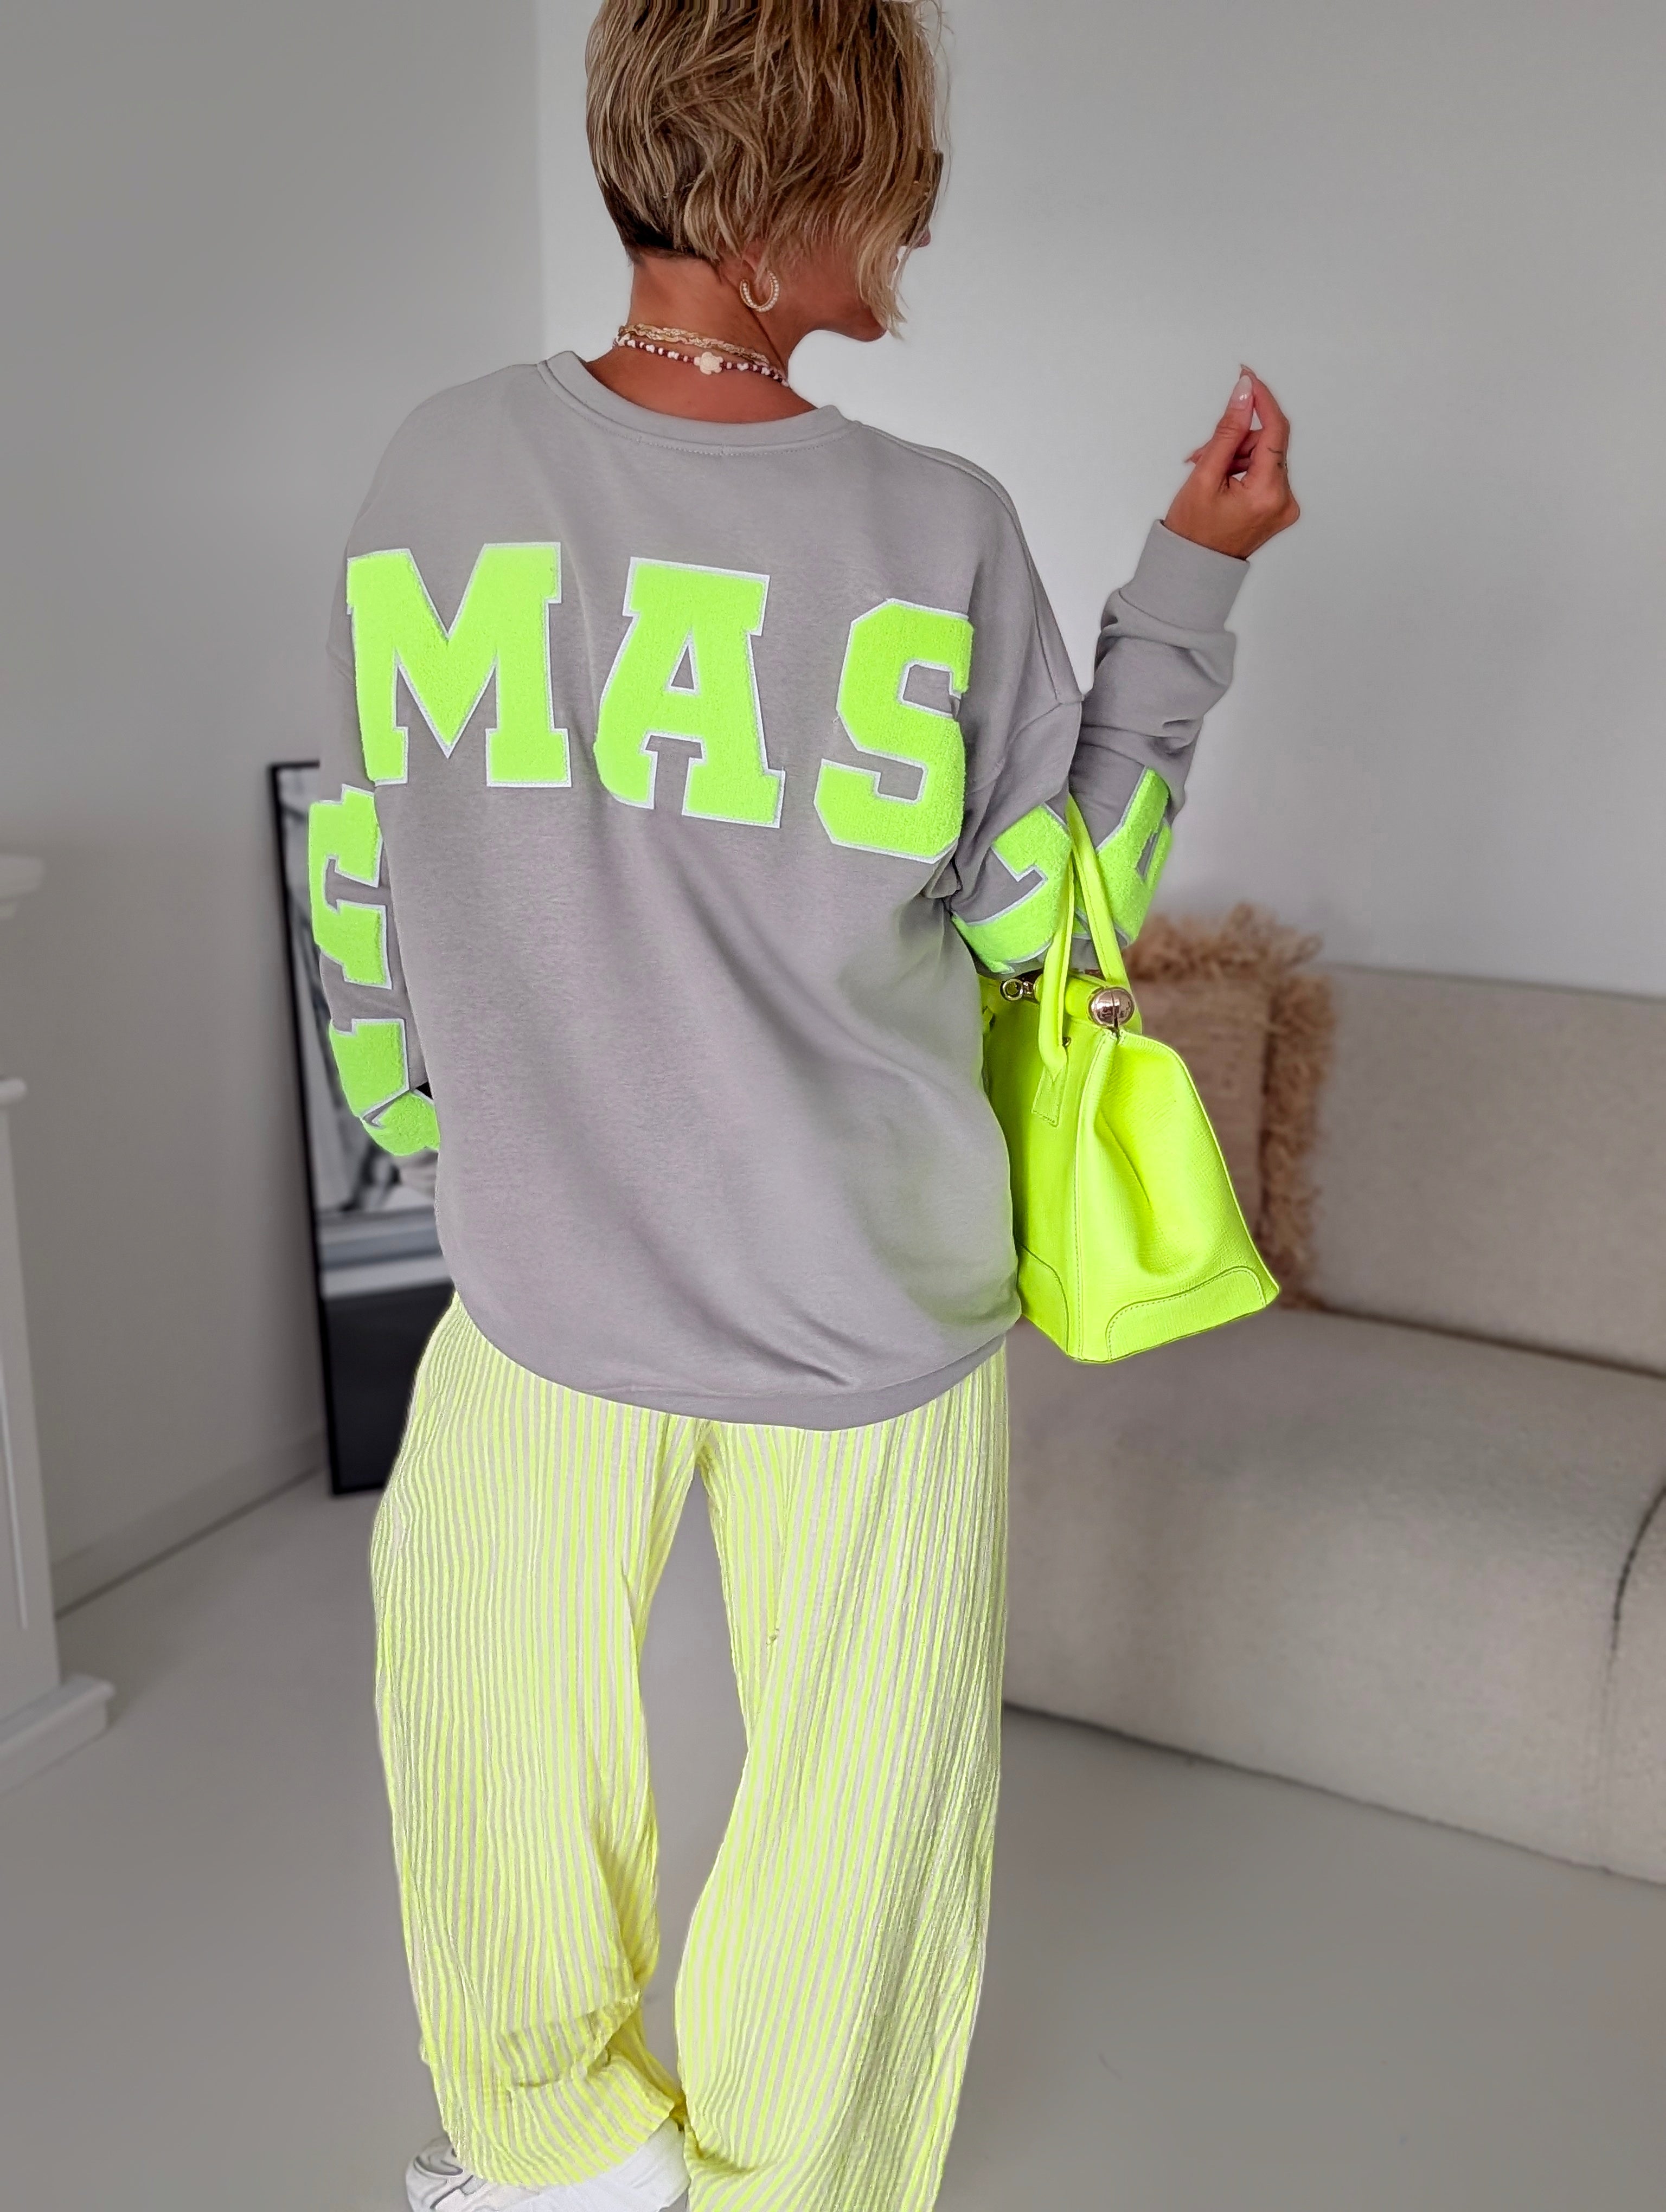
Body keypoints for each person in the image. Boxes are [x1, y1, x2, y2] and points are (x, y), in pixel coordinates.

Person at [309, 3, 1299, 2207]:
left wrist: (433, 1128)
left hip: (542, 1276)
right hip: (869, 1306)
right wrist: (1191, 585)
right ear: (796, 199)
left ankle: (558, 2166)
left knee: (485, 1753)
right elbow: (1057, 914)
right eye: (893, 190)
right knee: (861, 1817)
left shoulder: (438, 471)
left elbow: (367, 866)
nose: (912, 237)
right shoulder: (933, 529)